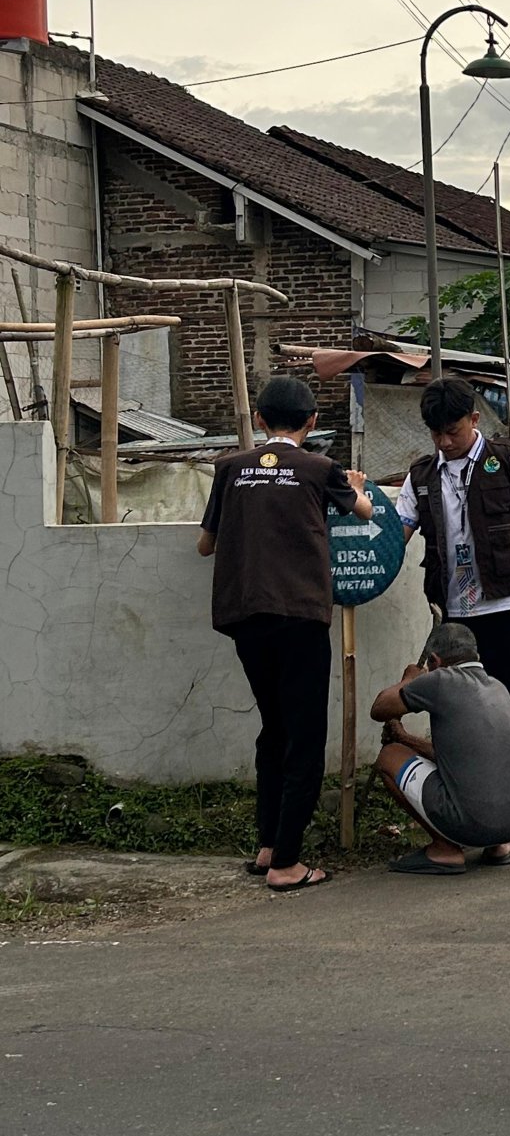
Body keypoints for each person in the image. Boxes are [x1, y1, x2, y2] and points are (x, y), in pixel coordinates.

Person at [197, 374, 372, 893]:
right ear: (312, 422)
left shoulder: (229, 468)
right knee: (304, 737)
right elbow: (361, 511)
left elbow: (205, 546)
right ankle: (286, 864)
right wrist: (358, 488)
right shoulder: (321, 468)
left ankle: (268, 845)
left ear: (258, 419)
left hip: (243, 615)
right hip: (298, 614)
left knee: (273, 728)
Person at [395, 376, 510, 796]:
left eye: (452, 431)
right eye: (436, 433)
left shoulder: (507, 459)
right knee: (459, 711)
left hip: (507, 605)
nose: (444, 441)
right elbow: (395, 533)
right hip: (453, 616)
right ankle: (472, 795)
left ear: (474, 419)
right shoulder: (421, 476)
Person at [370, 623, 510, 873]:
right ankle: (500, 844)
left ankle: (445, 849)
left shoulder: (439, 681)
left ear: (435, 660)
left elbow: (380, 708)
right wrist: (406, 738)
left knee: (389, 756)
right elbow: (457, 756)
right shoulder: (497, 687)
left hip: (476, 822)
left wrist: (410, 679)